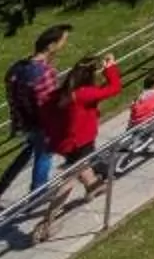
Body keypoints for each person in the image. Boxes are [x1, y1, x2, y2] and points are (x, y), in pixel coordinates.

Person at [30, 54, 121, 239]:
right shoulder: (84, 94)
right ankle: (48, 221)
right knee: (68, 180)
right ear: (90, 75)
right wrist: (110, 68)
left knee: (80, 166)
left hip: (64, 142)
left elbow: (45, 115)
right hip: (81, 142)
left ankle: (94, 186)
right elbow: (114, 88)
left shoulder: (59, 94)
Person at [0, 25, 70, 212]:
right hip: (42, 124)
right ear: (51, 46)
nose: (65, 44)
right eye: (63, 41)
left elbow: (12, 97)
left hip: (24, 122)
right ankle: (37, 196)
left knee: (27, 153)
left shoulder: (16, 68)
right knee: (44, 156)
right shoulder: (44, 73)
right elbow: (48, 105)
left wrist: (18, 122)